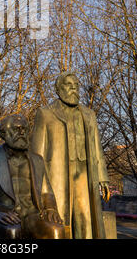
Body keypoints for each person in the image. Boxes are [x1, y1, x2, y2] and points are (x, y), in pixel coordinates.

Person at [31, 71, 110, 239]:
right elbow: (36, 156)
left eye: (76, 86)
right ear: (58, 89)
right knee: (60, 218)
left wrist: (103, 178)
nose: (74, 89)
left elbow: (97, 148)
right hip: (57, 174)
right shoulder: (45, 114)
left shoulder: (89, 115)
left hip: (84, 174)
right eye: (69, 85)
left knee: (85, 218)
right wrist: (40, 190)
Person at [0, 114, 64, 239]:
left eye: (24, 129)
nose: (21, 133)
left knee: (56, 230)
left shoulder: (37, 160)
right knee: (12, 231)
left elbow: (46, 190)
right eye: (16, 129)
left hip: (32, 215)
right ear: (3, 134)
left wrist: (51, 208)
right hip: (5, 215)